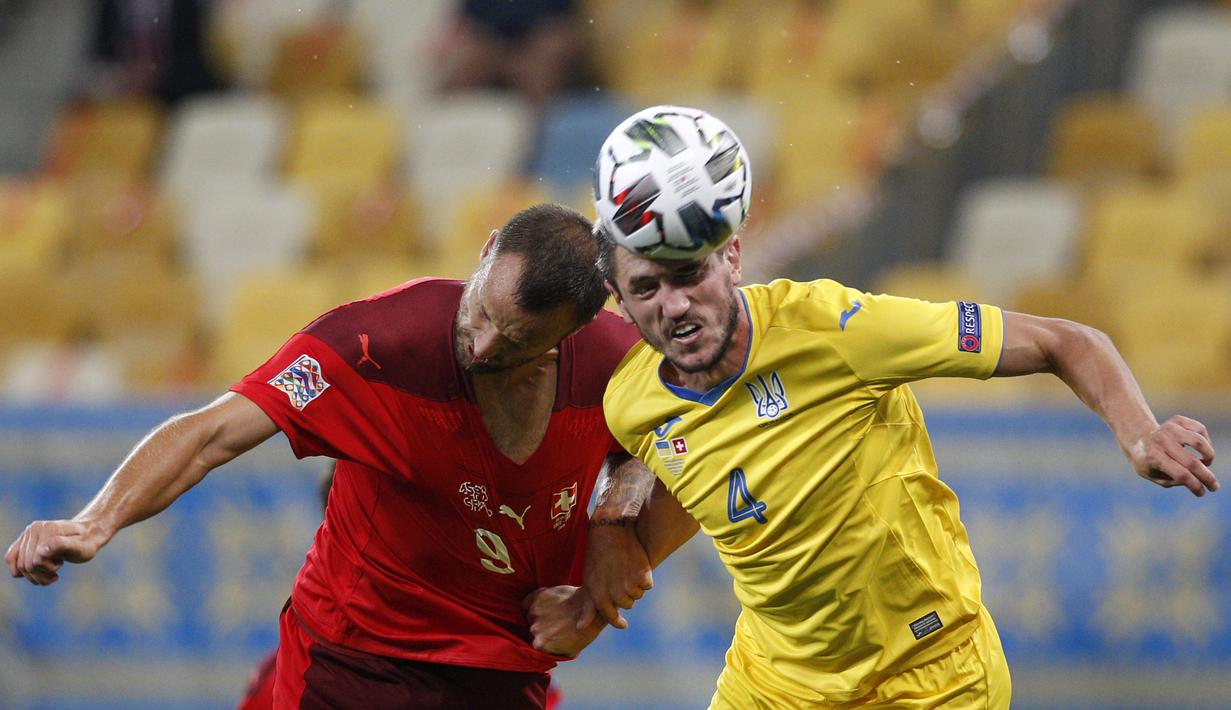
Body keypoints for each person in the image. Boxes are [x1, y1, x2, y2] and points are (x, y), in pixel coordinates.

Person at [525, 204, 1220, 706]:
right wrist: (613, 524)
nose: (674, 305)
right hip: (775, 682)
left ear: (731, 256)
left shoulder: (838, 329)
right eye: (646, 288)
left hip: (931, 674)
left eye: (689, 275)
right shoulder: (632, 398)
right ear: (617, 302)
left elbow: (1065, 341)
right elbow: (643, 448)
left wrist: (1138, 434)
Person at [7, 203, 656, 709]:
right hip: (356, 659)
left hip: (506, 669)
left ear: (571, 333)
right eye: (480, 313)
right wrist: (94, 522)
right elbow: (209, 433)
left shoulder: (612, 363)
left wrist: (617, 523)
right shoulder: (374, 344)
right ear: (485, 251)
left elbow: (671, 441)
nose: (482, 347)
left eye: (513, 340)